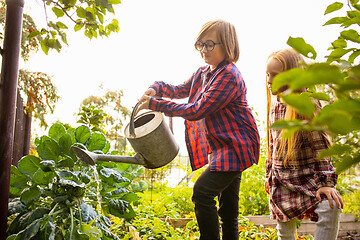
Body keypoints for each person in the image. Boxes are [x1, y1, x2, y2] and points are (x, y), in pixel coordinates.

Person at [135, 20, 260, 240]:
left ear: (228, 44)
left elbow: (197, 109)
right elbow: (178, 89)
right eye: (200, 44)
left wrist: (157, 105)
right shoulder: (204, 73)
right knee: (228, 209)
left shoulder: (229, 75)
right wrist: (156, 89)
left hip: (237, 147)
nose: (203, 50)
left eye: (210, 44)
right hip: (222, 148)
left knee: (202, 192)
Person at [265, 48, 343, 240]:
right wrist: (269, 177)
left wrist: (326, 184)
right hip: (282, 179)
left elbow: (321, 146)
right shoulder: (274, 105)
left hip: (306, 177)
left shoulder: (307, 104)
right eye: (268, 74)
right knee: (285, 230)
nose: (269, 79)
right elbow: (272, 147)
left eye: (275, 75)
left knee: (331, 206)